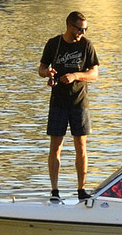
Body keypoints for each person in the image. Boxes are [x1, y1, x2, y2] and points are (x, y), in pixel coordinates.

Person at [39, 10, 100, 202]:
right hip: (58, 102)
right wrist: (48, 73)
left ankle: (81, 189)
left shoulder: (86, 45)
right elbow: (41, 68)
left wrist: (76, 75)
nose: (82, 32)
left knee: (81, 146)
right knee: (55, 146)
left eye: (85, 29)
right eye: (79, 29)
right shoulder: (54, 43)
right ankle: (55, 191)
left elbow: (94, 74)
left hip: (79, 102)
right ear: (69, 26)